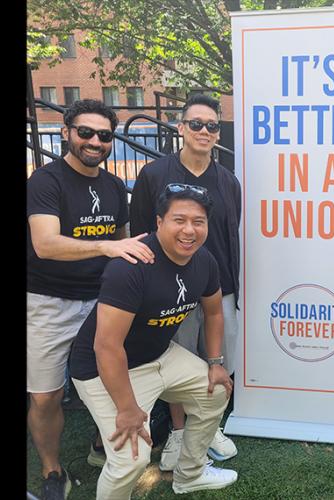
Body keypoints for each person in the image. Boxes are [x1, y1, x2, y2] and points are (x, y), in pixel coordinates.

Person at [69, 184, 238, 498]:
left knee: (215, 392)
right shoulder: (130, 267)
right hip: (102, 368)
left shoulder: (204, 261)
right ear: (159, 221)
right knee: (131, 460)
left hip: (159, 355)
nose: (189, 230)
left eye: (198, 222)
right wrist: (127, 408)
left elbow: (214, 313)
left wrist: (215, 363)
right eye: (179, 220)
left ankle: (190, 475)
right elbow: (106, 346)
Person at [27, 99, 155, 500]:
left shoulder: (115, 185)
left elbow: (124, 244)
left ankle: (103, 447)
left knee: (112, 377)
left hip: (101, 301)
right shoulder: (46, 181)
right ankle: (53, 471)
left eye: (104, 135)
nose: (95, 141)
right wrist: (105, 248)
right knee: (46, 395)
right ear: (67, 132)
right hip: (50, 300)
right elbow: (46, 244)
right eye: (85, 132)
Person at [128, 93, 241, 470]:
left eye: (211, 125)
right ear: (181, 128)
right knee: (173, 358)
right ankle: (178, 432)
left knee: (217, 357)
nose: (204, 131)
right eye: (196, 124)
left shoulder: (228, 181)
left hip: (218, 285)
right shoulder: (154, 175)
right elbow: (144, 229)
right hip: (167, 288)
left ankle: (207, 430)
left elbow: (228, 232)